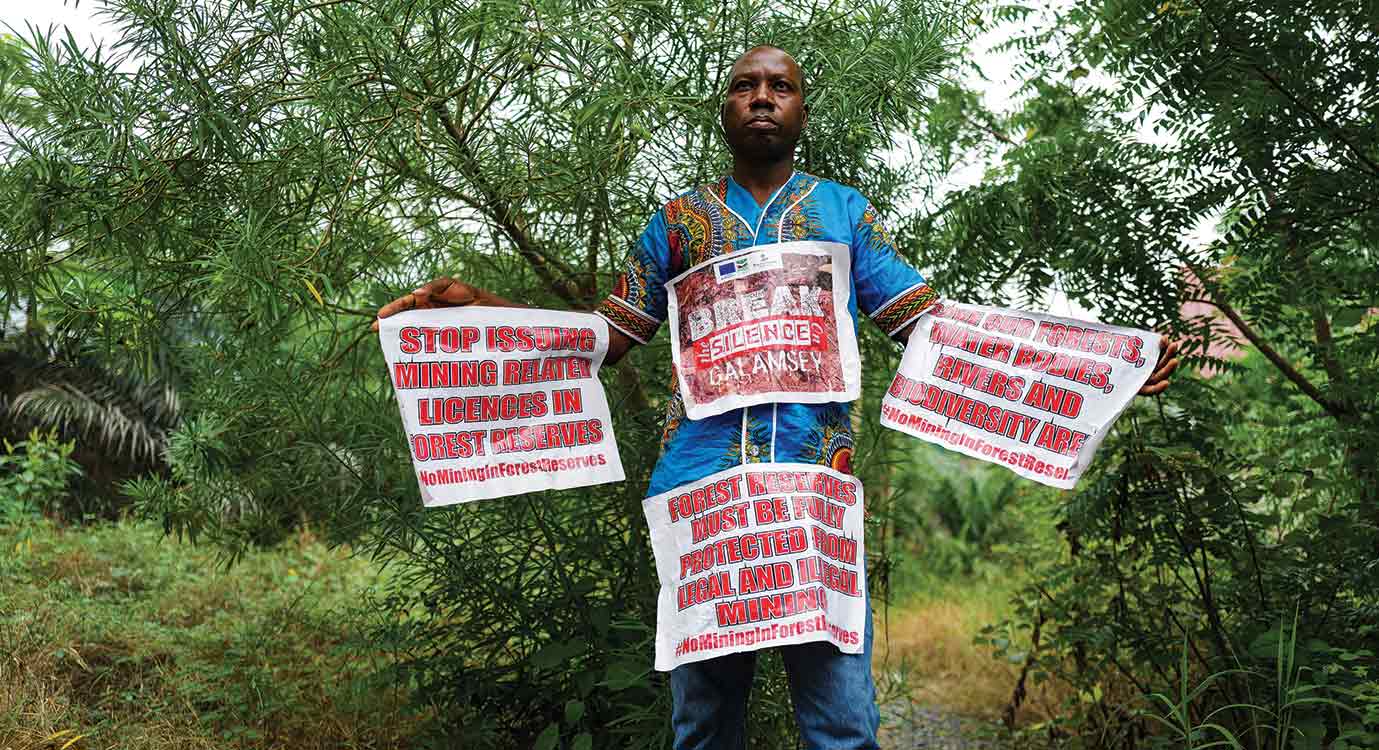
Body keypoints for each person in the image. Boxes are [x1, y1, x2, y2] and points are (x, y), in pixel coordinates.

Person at [376, 45, 1180, 750]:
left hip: (810, 495)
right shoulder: (676, 222)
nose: (761, 97)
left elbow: (928, 326)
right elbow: (606, 335)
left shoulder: (842, 213)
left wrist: (1096, 364)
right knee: (702, 724)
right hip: (703, 496)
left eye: (779, 87)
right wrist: (475, 306)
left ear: (801, 109)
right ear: (723, 106)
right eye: (744, 85)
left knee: (840, 724)